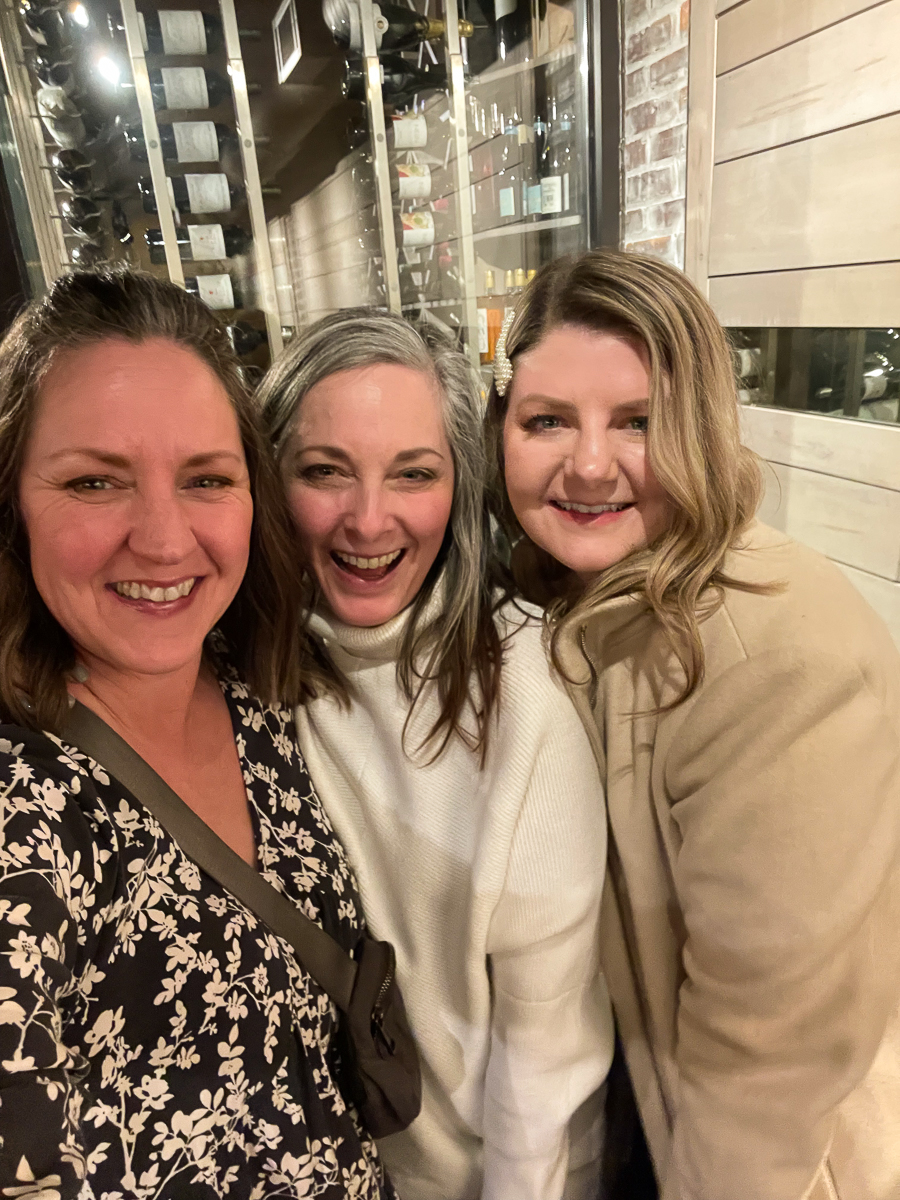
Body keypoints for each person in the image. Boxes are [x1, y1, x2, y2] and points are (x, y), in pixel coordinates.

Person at [486, 247, 900, 1200]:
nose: (589, 464)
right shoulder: (573, 601)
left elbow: (765, 1063)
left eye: (639, 422)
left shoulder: (781, 659)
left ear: (704, 432)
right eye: (548, 420)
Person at [0, 270, 394, 1199]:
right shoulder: (26, 810)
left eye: (206, 479)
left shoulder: (256, 691)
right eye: (95, 481)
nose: (167, 540)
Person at [257, 309, 613, 1200]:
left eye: (412, 474)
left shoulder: (523, 695)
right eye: (324, 472)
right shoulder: (245, 669)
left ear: (459, 487)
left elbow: (545, 1064)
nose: (369, 520)